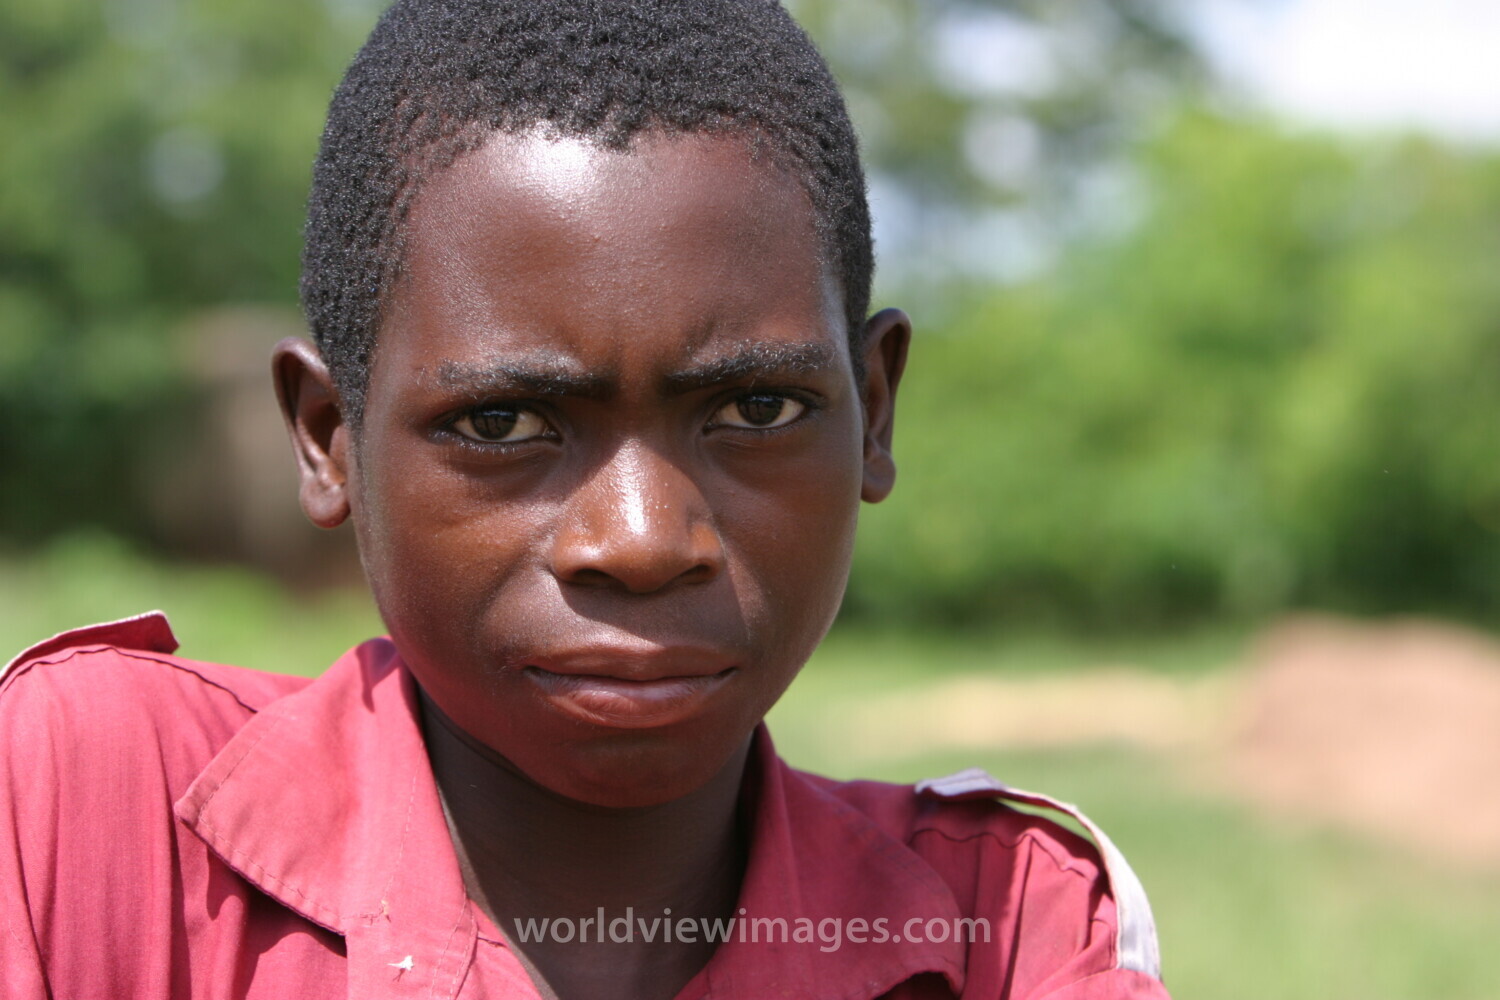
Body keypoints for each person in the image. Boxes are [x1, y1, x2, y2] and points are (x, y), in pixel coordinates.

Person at [0, 1, 1169, 997]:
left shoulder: (1005, 933)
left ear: (874, 409)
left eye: (756, 411)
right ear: (328, 441)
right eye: (503, 424)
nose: (644, 540)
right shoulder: (90, 816)